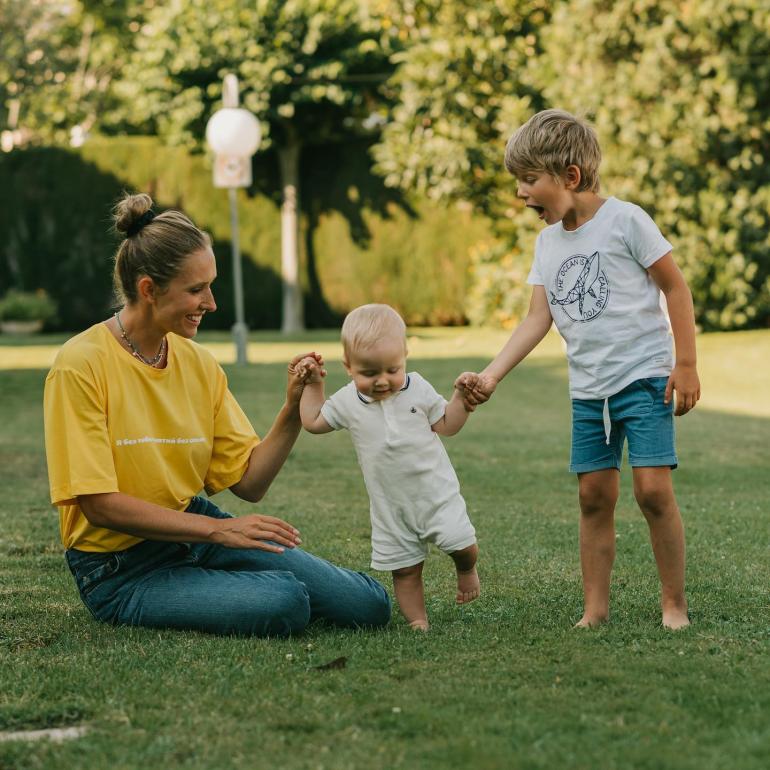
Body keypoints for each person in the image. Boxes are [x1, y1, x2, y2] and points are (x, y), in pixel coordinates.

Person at [43, 192, 390, 638]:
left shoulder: (198, 363)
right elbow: (99, 505)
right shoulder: (80, 365)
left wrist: (291, 408)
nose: (211, 302)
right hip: (120, 569)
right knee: (285, 603)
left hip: (192, 531)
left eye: (211, 285)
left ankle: (232, 585)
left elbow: (250, 483)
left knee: (366, 605)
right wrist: (216, 532)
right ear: (148, 289)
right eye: (196, 289)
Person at [459, 109, 700, 630]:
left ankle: (674, 605)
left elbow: (675, 287)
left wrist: (685, 364)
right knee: (594, 496)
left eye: (529, 180)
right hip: (590, 391)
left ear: (569, 176)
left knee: (652, 491)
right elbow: (536, 319)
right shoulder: (547, 244)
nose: (521, 193)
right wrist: (491, 375)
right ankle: (595, 610)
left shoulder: (627, 220)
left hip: (645, 377)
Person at [295, 303, 480, 632]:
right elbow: (312, 421)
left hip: (435, 495)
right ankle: (417, 620)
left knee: (461, 543)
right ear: (349, 367)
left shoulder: (418, 387)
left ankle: (466, 570)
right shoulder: (347, 401)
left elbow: (448, 424)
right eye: (369, 373)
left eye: (392, 370)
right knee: (404, 569)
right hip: (390, 507)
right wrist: (314, 386)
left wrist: (460, 400)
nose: (382, 381)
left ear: (405, 356)